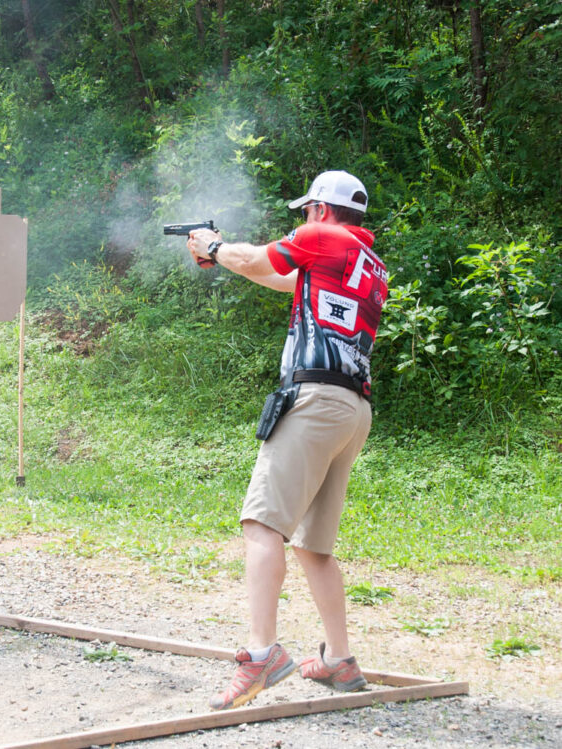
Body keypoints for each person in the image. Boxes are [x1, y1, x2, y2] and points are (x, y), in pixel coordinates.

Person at [187, 170, 388, 711]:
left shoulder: (322, 238)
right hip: (352, 408)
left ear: (321, 210)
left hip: (315, 401)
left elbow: (261, 260)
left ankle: (262, 654)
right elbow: (279, 278)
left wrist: (217, 246)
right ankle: (340, 661)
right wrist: (225, 258)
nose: (302, 218)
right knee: (313, 545)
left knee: (261, 524)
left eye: (307, 211)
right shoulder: (367, 263)